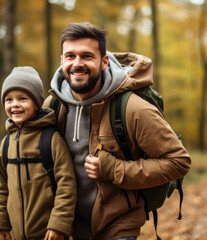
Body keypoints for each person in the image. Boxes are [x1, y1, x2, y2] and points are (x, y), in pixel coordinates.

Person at [43, 22, 191, 240]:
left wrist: (114, 169)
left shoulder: (133, 108)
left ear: (104, 62)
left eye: (87, 56)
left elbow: (179, 161)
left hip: (118, 226)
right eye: (70, 56)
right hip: (65, 227)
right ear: (62, 61)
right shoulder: (51, 107)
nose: (77, 64)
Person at [0, 66, 77, 240]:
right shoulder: (7, 143)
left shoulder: (50, 139)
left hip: (48, 233)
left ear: (37, 103)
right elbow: (0, 187)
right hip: (15, 234)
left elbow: (67, 186)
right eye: (8, 99)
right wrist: (0, 223)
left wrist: (58, 224)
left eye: (22, 98)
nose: (15, 104)